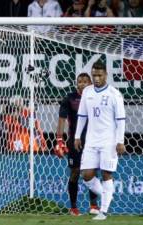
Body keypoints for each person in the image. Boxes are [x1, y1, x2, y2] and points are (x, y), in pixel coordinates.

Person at [75, 61, 126, 220]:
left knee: (106, 174)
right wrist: (77, 136)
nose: (96, 78)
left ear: (106, 75)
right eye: (94, 75)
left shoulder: (114, 94)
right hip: (91, 140)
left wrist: (120, 140)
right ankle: (107, 194)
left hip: (108, 141)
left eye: (99, 75)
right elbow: (82, 116)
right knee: (86, 175)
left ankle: (103, 211)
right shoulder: (87, 92)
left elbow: (121, 119)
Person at [55, 73, 99, 216]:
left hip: (92, 141)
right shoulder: (69, 99)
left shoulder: (96, 97)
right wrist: (59, 140)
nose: (82, 84)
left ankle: (94, 206)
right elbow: (61, 119)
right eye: (79, 81)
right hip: (74, 142)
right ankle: (73, 208)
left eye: (85, 81)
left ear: (90, 83)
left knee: (91, 172)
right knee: (74, 173)